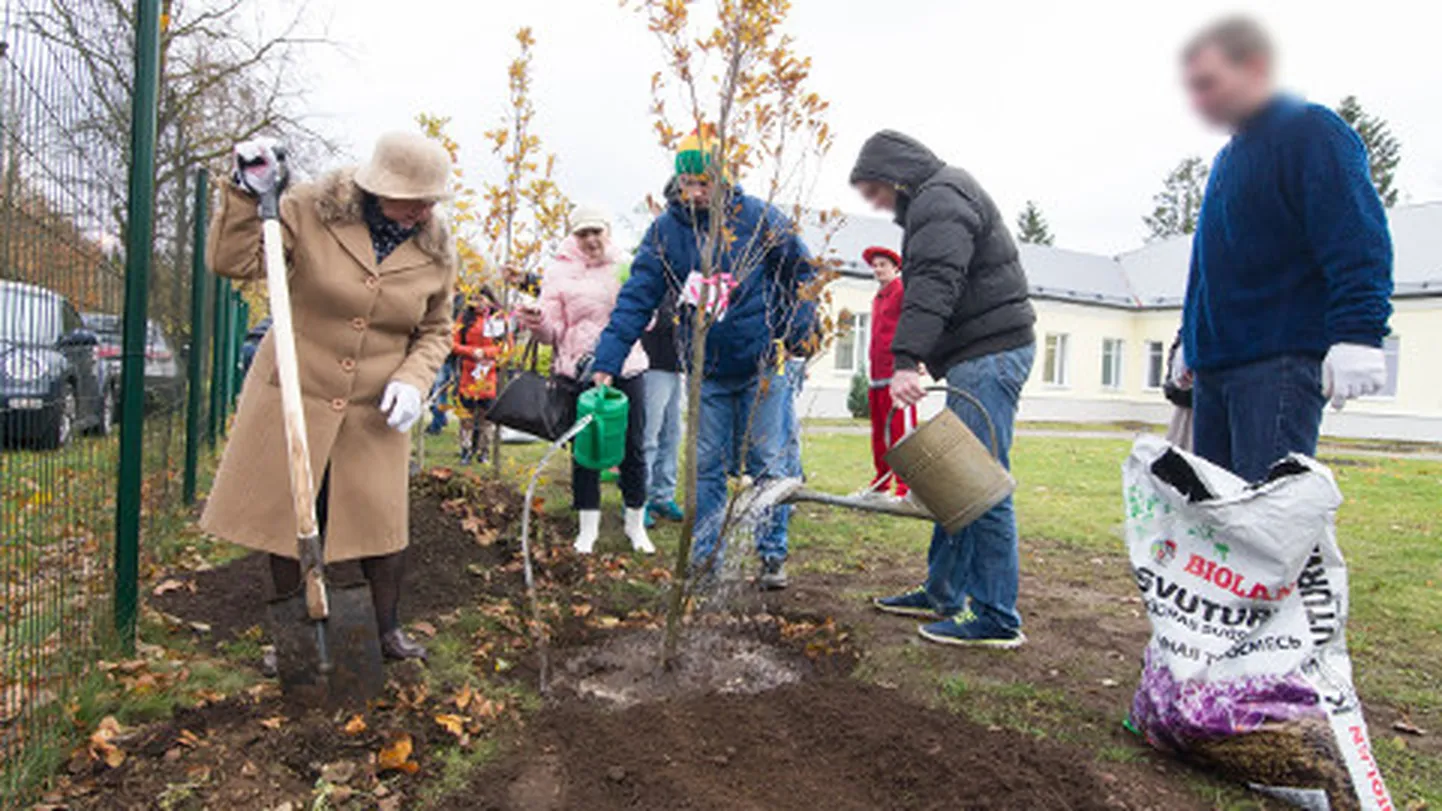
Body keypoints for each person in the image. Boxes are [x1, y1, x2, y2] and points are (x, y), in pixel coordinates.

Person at [202, 131, 456, 662]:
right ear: (376, 187)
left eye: (430, 201)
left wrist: (414, 381)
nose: (423, 212)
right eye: (413, 200)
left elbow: (435, 330)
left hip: (376, 404)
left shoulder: (434, 250)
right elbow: (232, 261)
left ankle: (386, 633)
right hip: (299, 387)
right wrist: (248, 195)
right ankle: (293, 640)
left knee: (382, 524)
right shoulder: (307, 210)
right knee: (293, 517)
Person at [590, 130, 816, 590]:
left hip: (761, 364)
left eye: (704, 182)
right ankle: (706, 557)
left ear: (723, 179)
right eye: (687, 182)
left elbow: (802, 274)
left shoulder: (758, 218)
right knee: (708, 467)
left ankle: (772, 554)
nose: (694, 192)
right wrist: (608, 357)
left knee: (769, 464)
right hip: (706, 371)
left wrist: (798, 334)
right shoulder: (667, 230)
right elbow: (637, 296)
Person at [1178, 16, 1392, 481]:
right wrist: (1189, 340)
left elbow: (1357, 236)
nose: (1201, 100)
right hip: (1216, 369)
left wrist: (1358, 332)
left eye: (1210, 83)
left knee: (1269, 517)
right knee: (1219, 522)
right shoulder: (1227, 159)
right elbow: (1211, 267)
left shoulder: (1312, 133)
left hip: (1277, 363)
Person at [851, 130, 1037, 648]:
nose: (874, 202)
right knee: (953, 478)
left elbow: (934, 280)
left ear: (895, 175)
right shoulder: (939, 196)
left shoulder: (940, 199)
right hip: (978, 353)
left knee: (980, 484)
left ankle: (998, 617)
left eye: (873, 190)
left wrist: (906, 359)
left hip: (990, 354)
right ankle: (943, 591)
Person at [517, 207, 655, 555]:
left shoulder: (626, 264)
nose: (591, 239)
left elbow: (647, 320)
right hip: (579, 371)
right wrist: (536, 320)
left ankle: (635, 523)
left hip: (627, 367)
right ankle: (587, 528)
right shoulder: (558, 271)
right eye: (583, 233)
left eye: (596, 231)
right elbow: (552, 333)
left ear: (607, 232)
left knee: (633, 447)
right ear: (573, 236)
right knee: (585, 450)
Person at [860, 246, 915, 498]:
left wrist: (916, 360)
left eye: (883, 264)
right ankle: (881, 484)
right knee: (879, 434)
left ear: (895, 268)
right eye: (875, 265)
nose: (877, 269)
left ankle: (905, 489)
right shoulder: (878, 296)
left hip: (898, 375)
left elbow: (914, 325)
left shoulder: (903, 292)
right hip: (877, 374)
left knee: (901, 434)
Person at [452, 287, 504, 465]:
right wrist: (472, 351)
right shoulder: (464, 319)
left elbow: (506, 347)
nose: (479, 304)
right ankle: (465, 450)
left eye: (482, 299)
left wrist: (487, 352)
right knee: (466, 415)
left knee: (486, 416)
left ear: (490, 300)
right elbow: (454, 344)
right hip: (468, 373)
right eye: (475, 300)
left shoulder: (499, 319)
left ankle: (484, 451)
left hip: (489, 375)